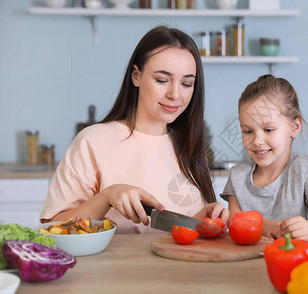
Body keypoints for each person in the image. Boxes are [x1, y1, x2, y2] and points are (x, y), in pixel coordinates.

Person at [40, 26, 229, 234]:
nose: (175, 94)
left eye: (186, 83)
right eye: (162, 80)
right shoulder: (92, 142)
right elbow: (52, 229)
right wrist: (106, 197)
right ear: (136, 76)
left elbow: (172, 236)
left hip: (182, 267)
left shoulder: (190, 147)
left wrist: (198, 221)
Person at [221, 74, 308, 241]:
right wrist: (263, 225)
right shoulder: (237, 177)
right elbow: (235, 224)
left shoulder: (302, 170)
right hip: (247, 265)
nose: (257, 141)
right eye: (248, 131)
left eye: (269, 129)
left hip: (293, 261)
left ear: (295, 127)